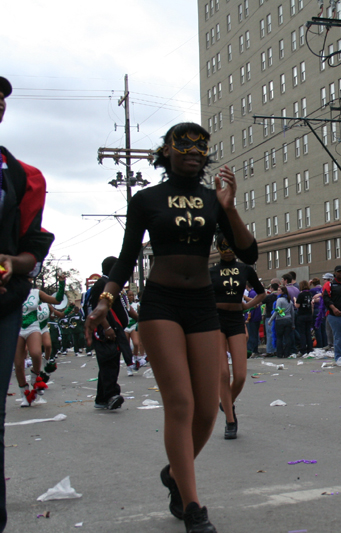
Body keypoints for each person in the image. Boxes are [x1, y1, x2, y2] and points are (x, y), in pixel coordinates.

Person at [85, 122, 257, 533]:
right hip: (161, 304)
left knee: (205, 410)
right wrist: (104, 301)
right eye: (184, 144)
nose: (194, 151)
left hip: (201, 306)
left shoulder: (213, 200)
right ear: (167, 150)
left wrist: (229, 206)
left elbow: (249, 251)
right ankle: (193, 505)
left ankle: (174, 473)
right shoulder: (146, 199)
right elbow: (126, 260)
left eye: (201, 146)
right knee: (180, 403)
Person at [0, 75, 55, 532]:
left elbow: (32, 244)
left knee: (33, 355)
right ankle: (28, 385)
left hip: (7, 309)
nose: (0, 101)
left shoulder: (19, 175)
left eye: (2, 96)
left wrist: (14, 265)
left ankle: (34, 384)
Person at [210, 233, 265, 439]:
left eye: (229, 245)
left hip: (235, 319)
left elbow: (261, 293)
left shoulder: (245, 269)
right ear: (217, 247)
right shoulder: (211, 271)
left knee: (240, 375)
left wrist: (246, 306)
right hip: (215, 320)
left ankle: (226, 402)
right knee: (223, 374)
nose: (226, 249)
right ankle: (230, 420)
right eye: (222, 245)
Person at [84, 257, 131, 410]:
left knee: (110, 362)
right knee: (109, 362)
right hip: (105, 332)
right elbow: (98, 309)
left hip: (114, 329)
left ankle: (102, 398)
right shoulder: (102, 285)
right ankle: (111, 395)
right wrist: (107, 327)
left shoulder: (110, 285)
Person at [14, 275, 65, 406]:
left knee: (36, 353)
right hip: (17, 328)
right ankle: (24, 394)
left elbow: (57, 300)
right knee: (18, 364)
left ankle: (35, 376)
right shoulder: (12, 291)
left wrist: (61, 283)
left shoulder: (36, 293)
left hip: (33, 326)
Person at [268, 286, 295, 358]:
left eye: (279, 290)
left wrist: (270, 320)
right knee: (287, 337)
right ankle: (287, 353)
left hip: (280, 320)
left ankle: (279, 353)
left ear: (282, 292)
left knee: (279, 337)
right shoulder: (289, 301)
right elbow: (292, 313)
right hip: (288, 319)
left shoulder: (279, 300)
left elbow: (277, 311)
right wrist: (293, 324)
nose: (277, 291)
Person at [295, 280, 315, 355]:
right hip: (309, 315)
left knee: (302, 333)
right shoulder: (310, 294)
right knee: (308, 333)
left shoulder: (301, 295)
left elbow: (297, 305)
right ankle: (310, 348)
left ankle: (303, 349)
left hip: (302, 315)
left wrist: (294, 300)